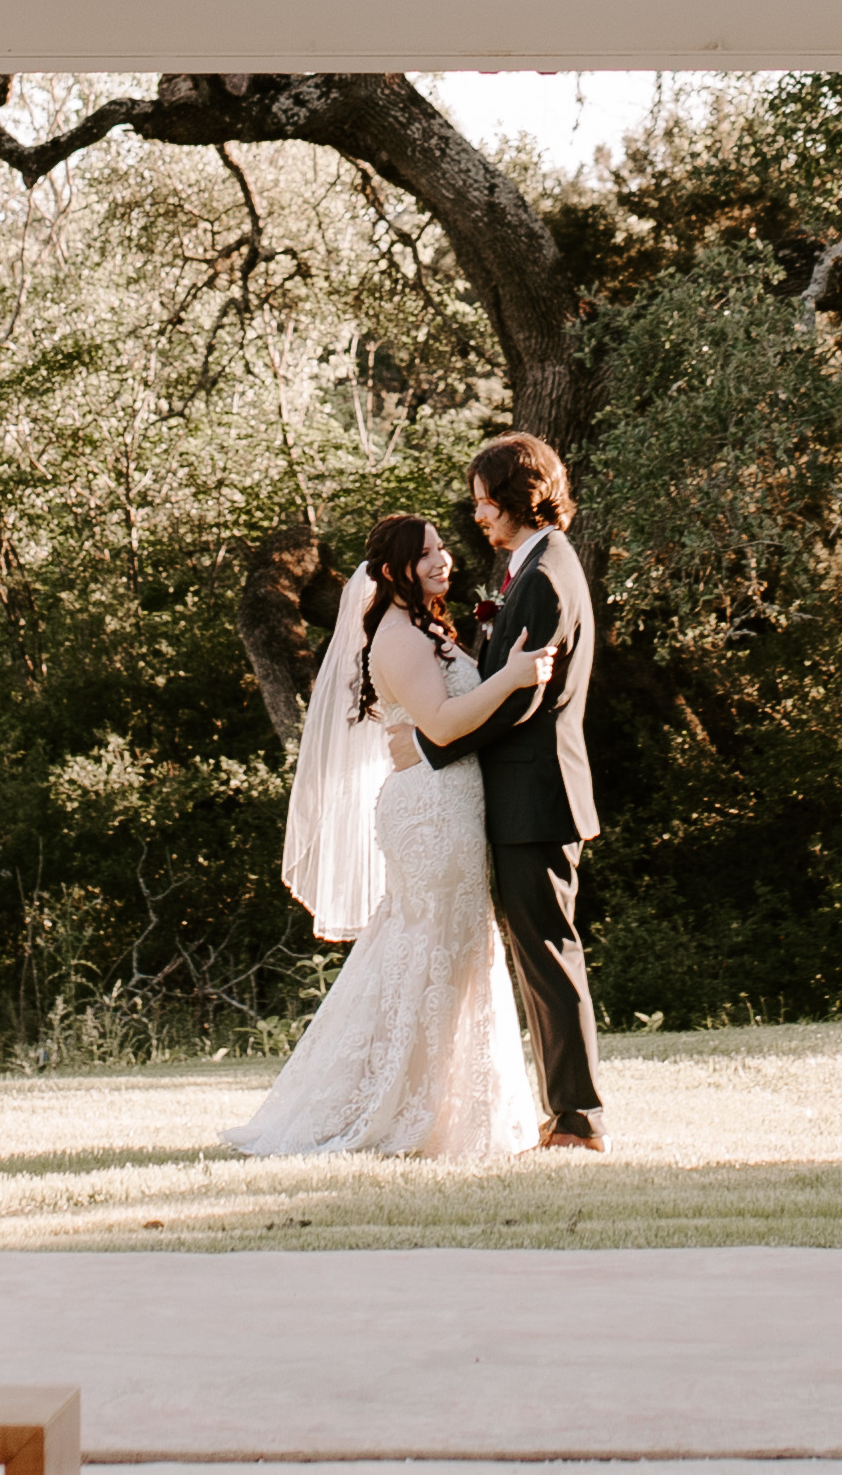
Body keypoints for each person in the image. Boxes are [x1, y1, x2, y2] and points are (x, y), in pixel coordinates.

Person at [220, 514, 548, 1162]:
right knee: (432, 953)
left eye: (441, 549)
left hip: (448, 804)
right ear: (393, 569)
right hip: (429, 810)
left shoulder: (430, 629)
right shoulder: (397, 638)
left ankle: (436, 1102)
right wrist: (510, 676)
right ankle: (397, 1108)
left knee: (446, 952)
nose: (442, 560)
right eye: (424, 554)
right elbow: (444, 724)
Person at [448, 430, 613, 1154]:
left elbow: (521, 701)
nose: (478, 514)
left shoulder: (546, 576)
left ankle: (577, 1119)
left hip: (534, 793)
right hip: (525, 793)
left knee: (547, 951)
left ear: (518, 498)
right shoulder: (530, 566)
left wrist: (440, 741)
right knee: (539, 951)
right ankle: (563, 1112)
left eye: (486, 501)